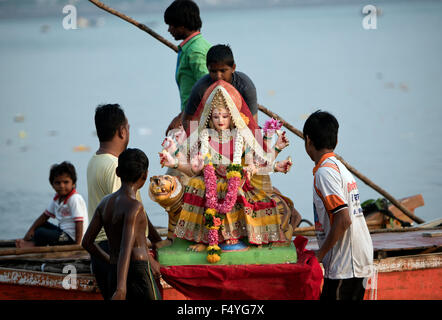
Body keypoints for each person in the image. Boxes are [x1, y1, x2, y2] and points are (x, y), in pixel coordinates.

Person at [160, 80, 294, 262]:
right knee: (198, 185)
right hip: (210, 180)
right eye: (216, 117)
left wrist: (276, 158)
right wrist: (174, 163)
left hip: (236, 180)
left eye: (224, 116)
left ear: (232, 117)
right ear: (210, 117)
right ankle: (205, 240)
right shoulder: (205, 136)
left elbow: (256, 165)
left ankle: (234, 238)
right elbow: (194, 170)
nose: (220, 121)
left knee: (238, 192)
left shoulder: (241, 137)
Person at [86, 103, 162, 300]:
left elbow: (134, 214)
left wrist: (156, 239)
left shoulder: (95, 160)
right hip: (121, 255)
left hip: (106, 255)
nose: (129, 132)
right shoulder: (113, 166)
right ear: (121, 131)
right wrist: (150, 259)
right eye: (128, 128)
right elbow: (124, 221)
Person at [303, 110, 373, 300]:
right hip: (356, 259)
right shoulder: (338, 167)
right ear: (336, 140)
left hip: (346, 264)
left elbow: (343, 219)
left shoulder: (324, 173)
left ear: (308, 141)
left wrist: (320, 254)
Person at [181, 44, 259, 133]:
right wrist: (200, 140)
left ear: (233, 68)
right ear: (208, 68)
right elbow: (187, 120)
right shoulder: (201, 88)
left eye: (223, 71)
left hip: (238, 134)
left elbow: (253, 123)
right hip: (208, 134)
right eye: (213, 71)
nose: (218, 76)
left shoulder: (245, 86)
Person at [164, 0, 211, 135]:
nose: (169, 30)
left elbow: (206, 90)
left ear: (182, 25)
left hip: (198, 120)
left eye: (171, 25)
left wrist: (181, 117)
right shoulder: (189, 48)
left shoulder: (195, 51)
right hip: (191, 118)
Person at [16, 161, 88, 248]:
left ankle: (32, 245)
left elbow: (79, 223)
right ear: (52, 185)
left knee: (41, 232)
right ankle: (31, 242)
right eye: (58, 183)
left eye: (66, 182)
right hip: (63, 233)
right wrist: (29, 232)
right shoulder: (57, 198)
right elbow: (44, 216)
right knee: (40, 225)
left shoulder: (74, 198)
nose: (61, 186)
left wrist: (77, 246)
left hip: (72, 238)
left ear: (73, 183)